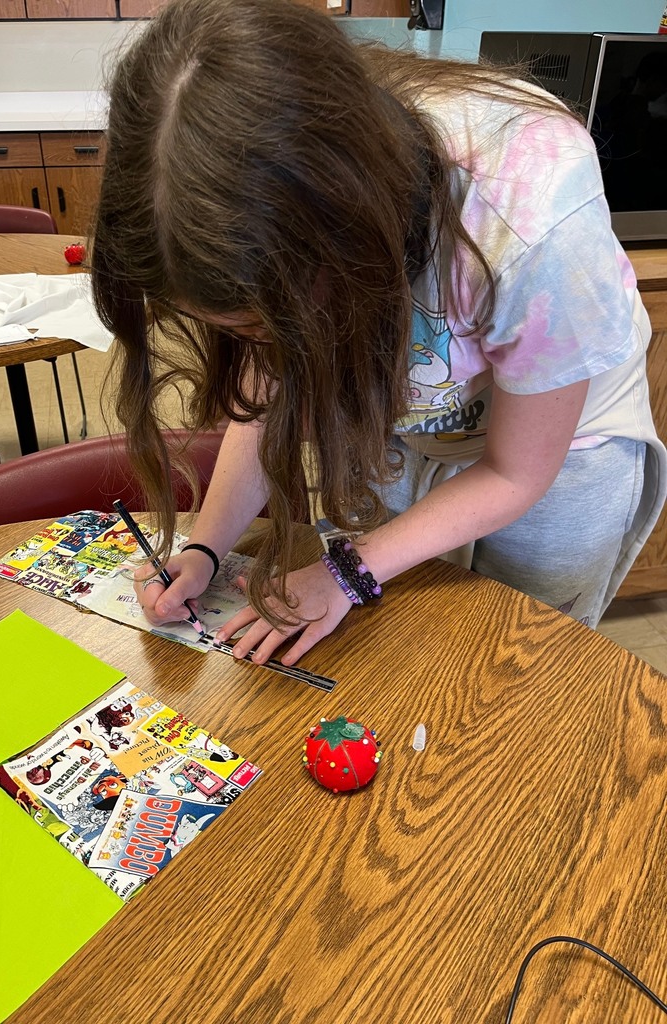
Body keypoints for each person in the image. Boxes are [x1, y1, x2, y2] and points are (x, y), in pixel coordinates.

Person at [91, 0, 666, 667]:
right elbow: (268, 400)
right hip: (415, 405)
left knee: (523, 659)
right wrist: (206, 548)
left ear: (346, 236)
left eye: (266, 324)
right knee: (403, 640)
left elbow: (515, 469)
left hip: (561, 441)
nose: (262, 346)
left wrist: (343, 574)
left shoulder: (534, 211)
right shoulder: (270, 203)